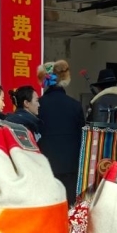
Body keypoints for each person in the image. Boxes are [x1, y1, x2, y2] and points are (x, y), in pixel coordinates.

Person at [37, 60, 84, 206]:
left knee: (47, 205)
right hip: (70, 164)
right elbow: (82, 135)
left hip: (44, 164)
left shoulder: (38, 105)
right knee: (68, 205)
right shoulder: (75, 105)